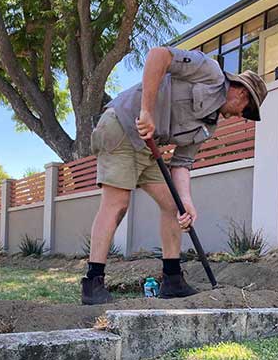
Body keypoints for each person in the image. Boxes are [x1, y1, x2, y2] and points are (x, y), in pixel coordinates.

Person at [81, 46, 268, 305]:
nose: (241, 117)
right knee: (118, 203)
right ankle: (93, 282)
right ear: (242, 92)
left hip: (148, 146)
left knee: (174, 206)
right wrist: (146, 111)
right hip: (122, 126)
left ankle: (172, 279)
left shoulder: (208, 126)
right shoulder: (209, 71)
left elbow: (181, 163)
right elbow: (159, 55)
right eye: (246, 111)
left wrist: (187, 203)